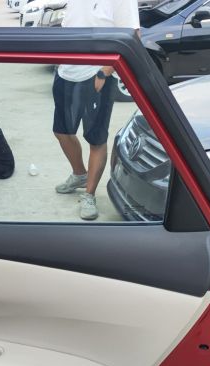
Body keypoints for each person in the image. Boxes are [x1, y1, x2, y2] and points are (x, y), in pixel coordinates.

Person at [53, 0, 140, 220]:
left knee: (96, 138)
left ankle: (89, 194)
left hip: (97, 76)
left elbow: (132, 35)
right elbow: (69, 26)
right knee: (61, 132)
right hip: (66, 72)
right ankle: (79, 174)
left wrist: (105, 72)